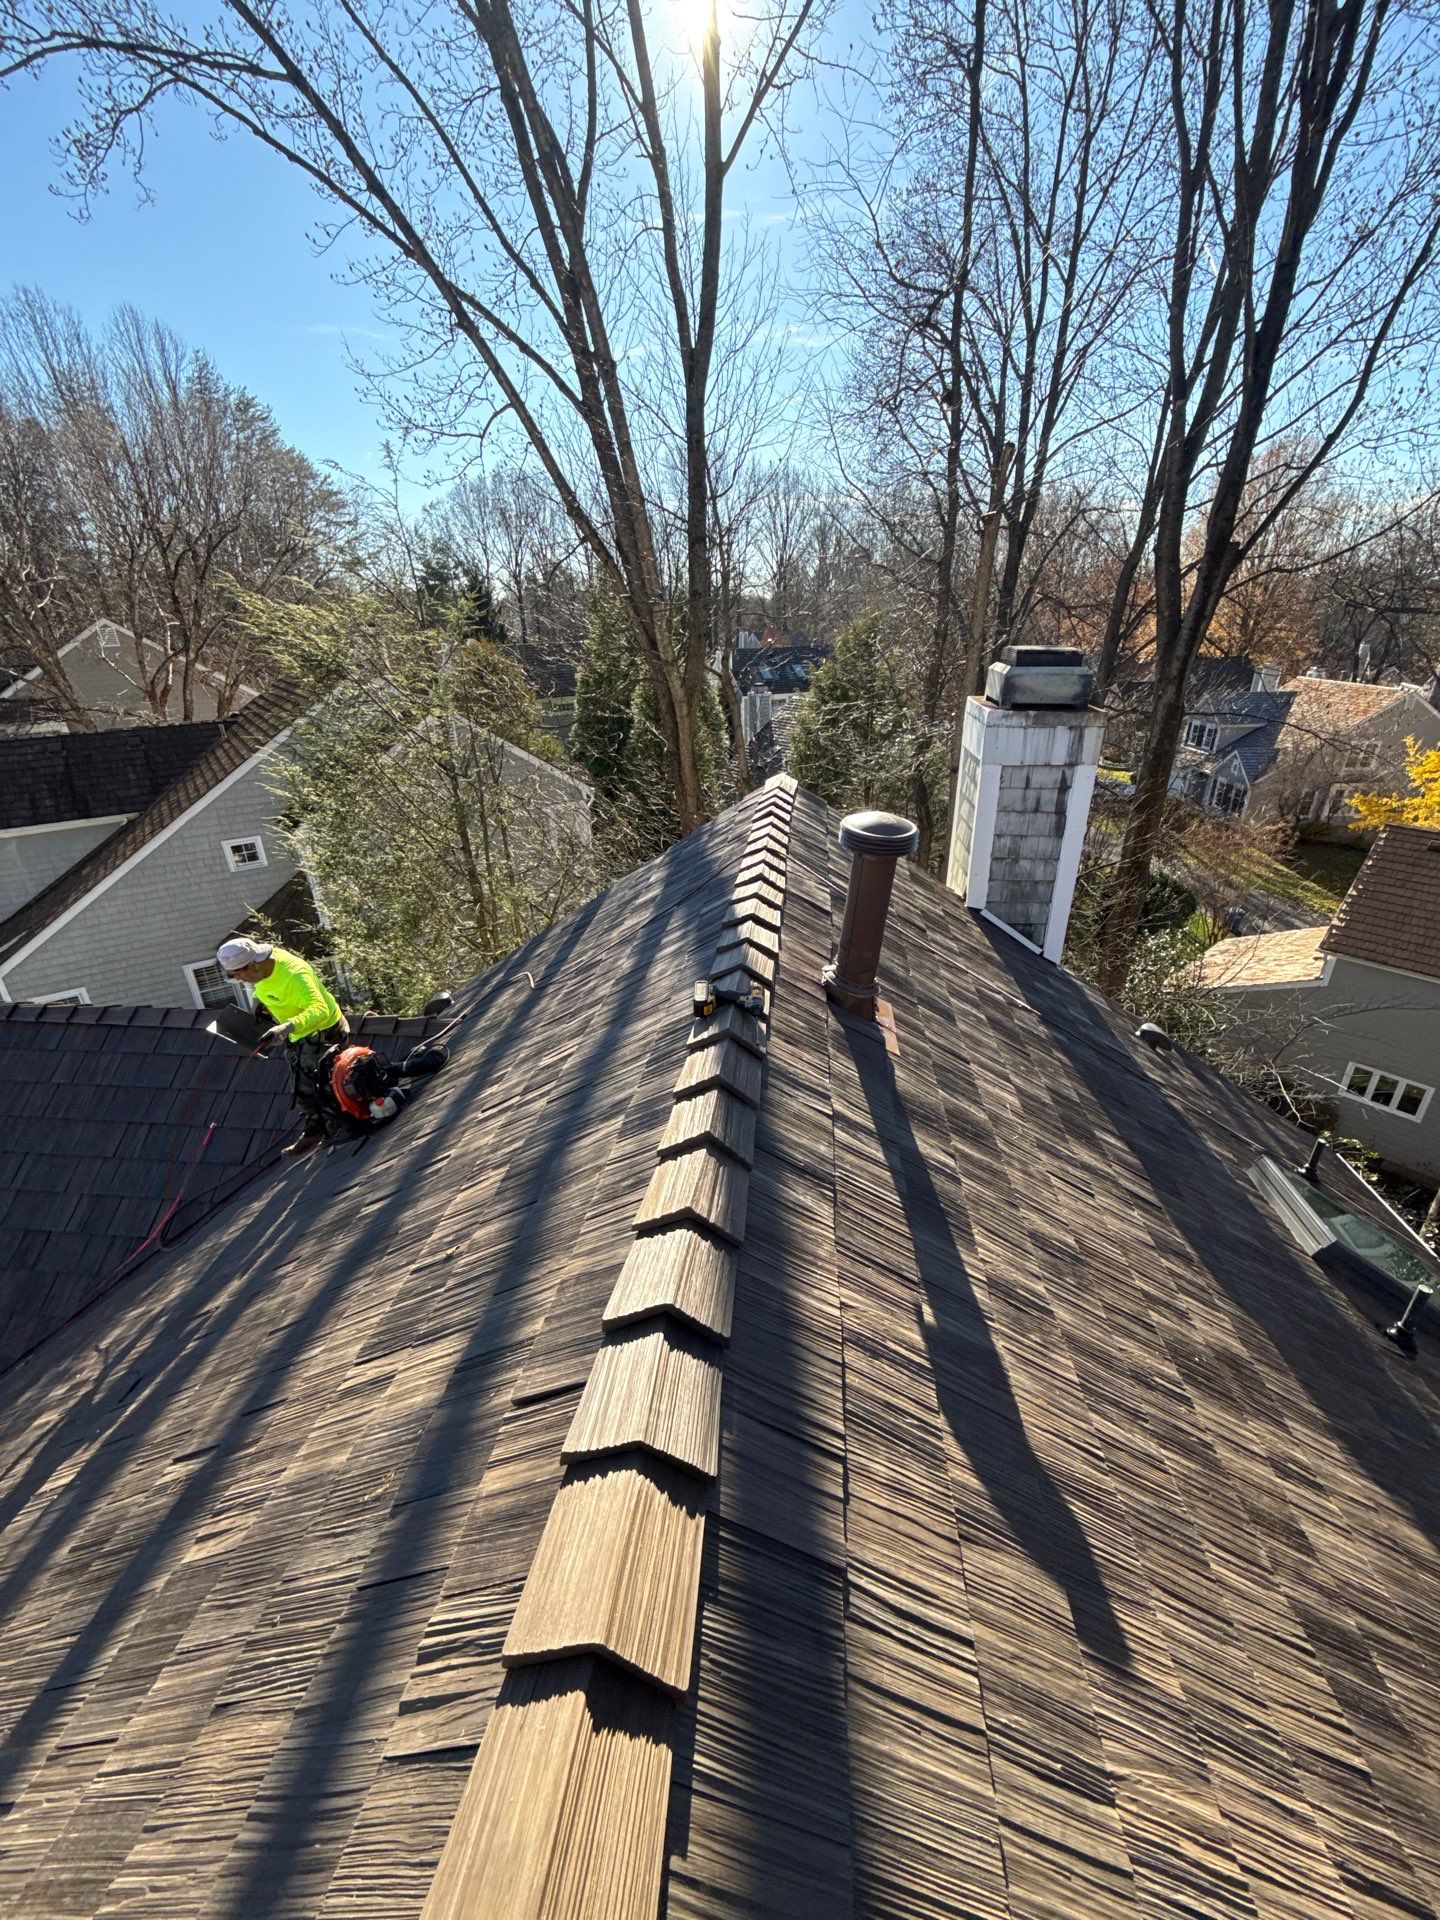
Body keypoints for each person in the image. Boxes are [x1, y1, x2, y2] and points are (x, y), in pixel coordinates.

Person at [216, 936, 349, 1157]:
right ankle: (315, 1129)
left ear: (254, 964)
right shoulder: (261, 970)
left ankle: (333, 1126)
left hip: (325, 1030)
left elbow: (320, 1009)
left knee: (314, 1086)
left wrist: (287, 1026)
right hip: (297, 1032)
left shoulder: (294, 974)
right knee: (298, 1084)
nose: (240, 981)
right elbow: (269, 989)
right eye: (233, 976)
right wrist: (261, 1008)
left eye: (239, 974)